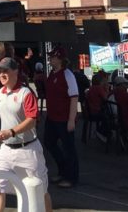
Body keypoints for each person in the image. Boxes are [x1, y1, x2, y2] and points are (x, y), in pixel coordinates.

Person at [0, 57, 52, 212]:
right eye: (0, 71)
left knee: (41, 191)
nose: (2, 74)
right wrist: (2, 134)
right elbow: (4, 117)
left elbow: (32, 119)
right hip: (6, 149)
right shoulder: (0, 93)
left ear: (16, 71)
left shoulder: (26, 93)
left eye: (6, 70)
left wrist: (11, 131)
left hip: (28, 149)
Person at [43, 47, 78, 189]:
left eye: (52, 57)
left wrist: (71, 119)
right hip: (52, 117)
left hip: (64, 118)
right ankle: (63, 170)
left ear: (59, 59)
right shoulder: (52, 73)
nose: (50, 59)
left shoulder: (67, 74)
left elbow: (74, 98)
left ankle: (71, 177)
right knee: (49, 142)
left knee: (69, 148)